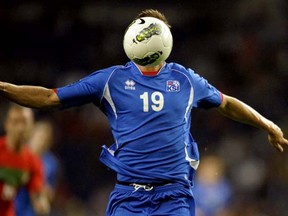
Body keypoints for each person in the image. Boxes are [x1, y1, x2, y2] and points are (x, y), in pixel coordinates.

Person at [0, 9, 287, 216]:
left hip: (173, 196)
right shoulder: (110, 81)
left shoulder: (186, 81)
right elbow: (50, 98)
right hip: (129, 196)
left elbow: (226, 103)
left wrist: (267, 124)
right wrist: (3, 87)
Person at [0, 104, 50, 216]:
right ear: (7, 125)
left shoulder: (32, 162)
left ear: (31, 127)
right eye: (16, 122)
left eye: (24, 122)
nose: (20, 128)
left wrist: (42, 204)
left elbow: (38, 195)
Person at [15, 120, 59, 216]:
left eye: (45, 139)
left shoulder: (51, 163)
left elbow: (50, 193)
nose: (41, 141)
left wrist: (42, 190)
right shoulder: (18, 153)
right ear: (31, 135)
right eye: (38, 136)